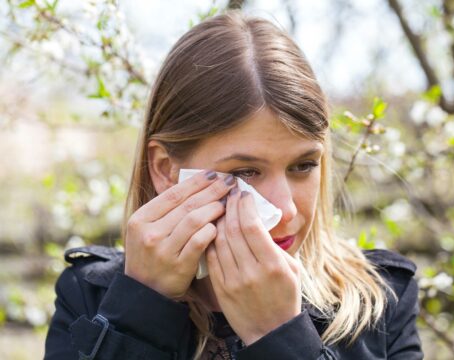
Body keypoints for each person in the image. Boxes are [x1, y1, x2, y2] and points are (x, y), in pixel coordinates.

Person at [44, 10, 423, 360]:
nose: (287, 210)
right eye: (245, 172)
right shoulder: (91, 297)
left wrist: (279, 335)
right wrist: (142, 309)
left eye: (304, 165)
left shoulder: (380, 303)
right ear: (164, 168)